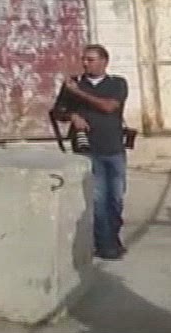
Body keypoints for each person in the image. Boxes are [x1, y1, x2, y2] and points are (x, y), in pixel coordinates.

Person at [51, 44, 132, 261]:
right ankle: (105, 245)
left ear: (104, 61)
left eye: (91, 59)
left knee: (115, 198)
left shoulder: (116, 84)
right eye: (84, 59)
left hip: (113, 147)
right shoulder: (73, 84)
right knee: (98, 199)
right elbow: (58, 111)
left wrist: (78, 92)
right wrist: (72, 116)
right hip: (87, 149)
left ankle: (113, 239)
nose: (85, 63)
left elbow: (109, 107)